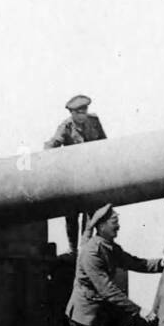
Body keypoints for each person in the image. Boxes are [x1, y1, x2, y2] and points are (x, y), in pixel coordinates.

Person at [44, 94, 107, 252]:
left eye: (84, 111)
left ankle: (86, 246)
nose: (83, 116)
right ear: (72, 114)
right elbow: (51, 146)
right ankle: (73, 249)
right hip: (74, 178)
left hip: (91, 174)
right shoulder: (66, 127)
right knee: (71, 214)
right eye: (79, 113)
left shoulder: (94, 121)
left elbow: (105, 143)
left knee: (92, 213)